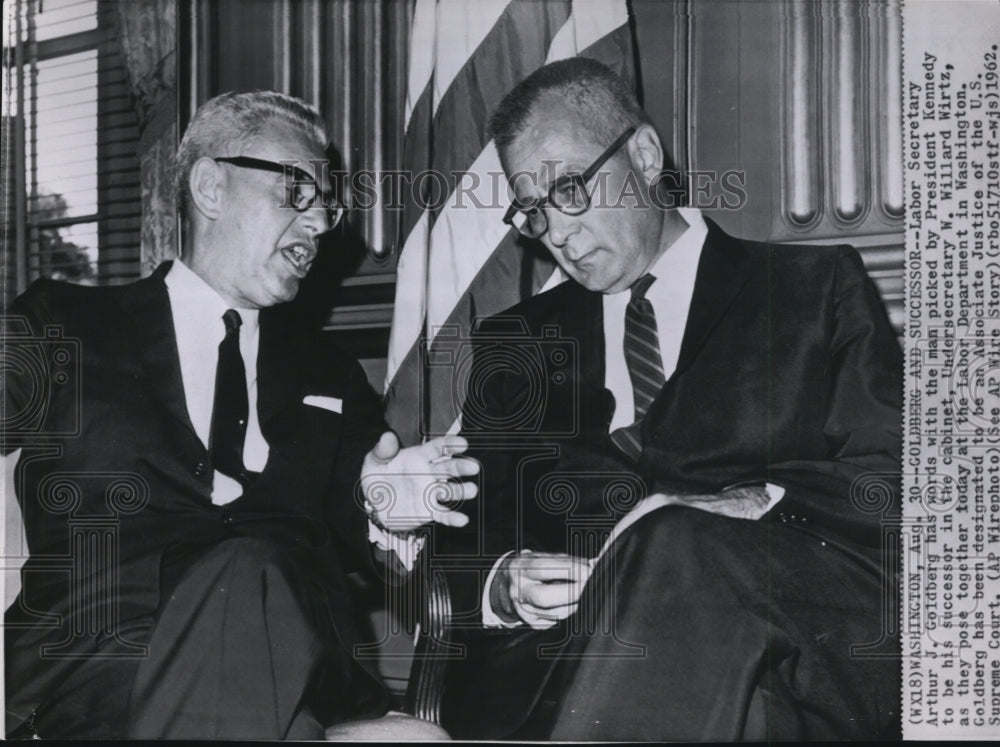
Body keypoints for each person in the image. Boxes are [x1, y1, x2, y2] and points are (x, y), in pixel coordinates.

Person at [437, 58, 902, 741]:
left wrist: (731, 506)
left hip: (791, 645)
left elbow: (893, 477)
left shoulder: (812, 289)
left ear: (645, 155)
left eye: (568, 190)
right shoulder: (520, 342)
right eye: (533, 212)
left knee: (678, 547)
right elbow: (458, 539)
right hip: (573, 671)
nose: (557, 235)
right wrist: (504, 582)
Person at [2, 90, 478, 740]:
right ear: (210, 185)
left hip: (293, 675)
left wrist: (390, 510)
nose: (318, 226)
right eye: (298, 193)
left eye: (327, 208)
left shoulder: (329, 376)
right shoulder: (65, 327)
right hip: (98, 678)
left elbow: (373, 510)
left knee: (252, 572)